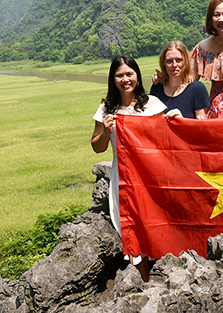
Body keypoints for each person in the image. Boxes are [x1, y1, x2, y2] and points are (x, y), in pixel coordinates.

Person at [91, 54, 166, 281]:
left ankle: (164, 275)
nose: (125, 79)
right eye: (119, 75)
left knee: (156, 226)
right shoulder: (106, 109)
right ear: (112, 79)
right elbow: (97, 148)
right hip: (122, 179)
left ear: (137, 76)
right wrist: (105, 130)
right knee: (132, 230)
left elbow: (167, 139)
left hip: (151, 177)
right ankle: (146, 281)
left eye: (129, 74)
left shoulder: (152, 105)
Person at [150, 41, 211, 119]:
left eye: (179, 60)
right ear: (163, 63)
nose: (174, 65)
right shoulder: (157, 88)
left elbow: (202, 126)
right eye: (169, 61)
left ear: (185, 61)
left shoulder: (198, 89)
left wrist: (182, 121)